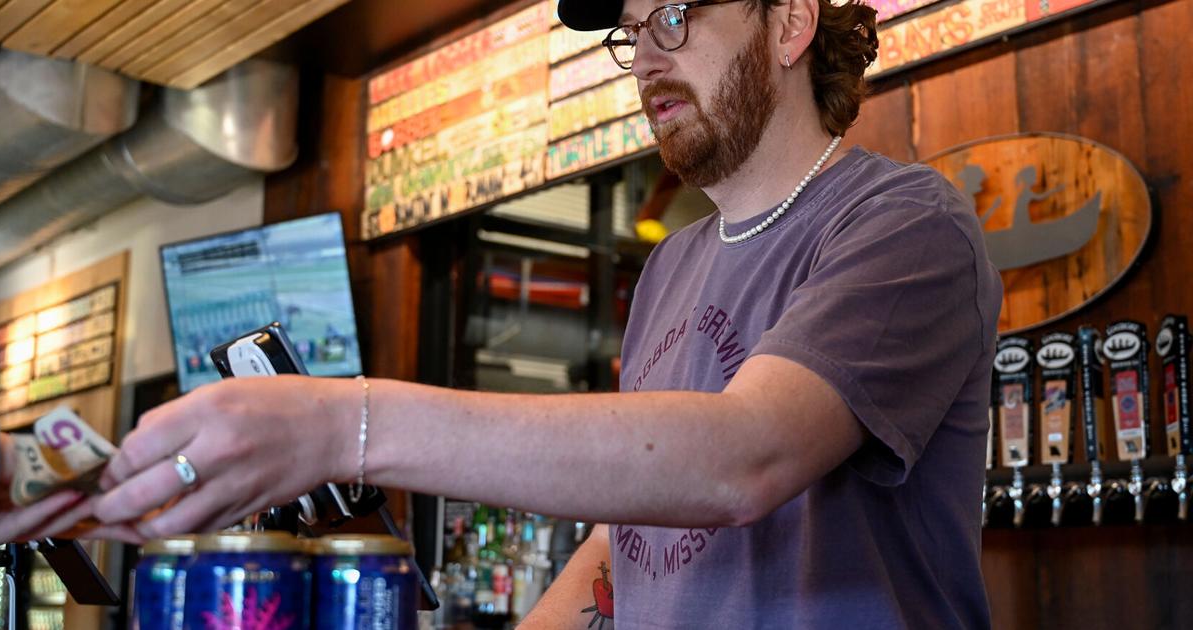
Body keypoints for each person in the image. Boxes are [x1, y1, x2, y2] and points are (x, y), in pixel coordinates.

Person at [89, 0, 1003, 627]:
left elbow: (744, 458)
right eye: (631, 35)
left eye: (674, 18)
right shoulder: (672, 266)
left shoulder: (902, 223)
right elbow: (627, 540)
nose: (647, 60)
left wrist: (344, 426)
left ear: (790, 21)